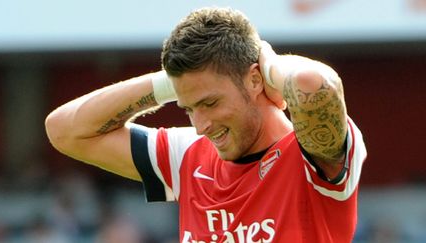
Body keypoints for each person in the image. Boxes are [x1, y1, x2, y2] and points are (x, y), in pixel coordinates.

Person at [45, 7, 367, 243]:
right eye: (189, 108)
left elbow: (314, 85)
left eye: (210, 103)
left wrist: (271, 66)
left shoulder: (309, 155)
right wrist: (169, 85)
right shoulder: (188, 154)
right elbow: (63, 129)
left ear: (255, 78)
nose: (200, 125)